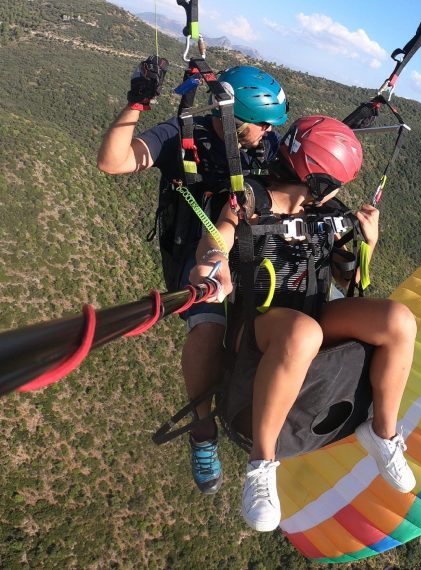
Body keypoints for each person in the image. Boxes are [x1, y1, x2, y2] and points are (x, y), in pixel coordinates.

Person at [189, 115, 417, 532]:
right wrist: (212, 266)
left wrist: (369, 243)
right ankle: (261, 463)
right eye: (336, 185)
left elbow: (348, 279)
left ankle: (382, 433)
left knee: (398, 320)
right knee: (303, 332)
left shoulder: (327, 213)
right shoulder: (250, 200)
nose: (338, 193)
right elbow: (217, 236)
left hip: (312, 311)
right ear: (319, 181)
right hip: (260, 323)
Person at [97, 60, 289, 495]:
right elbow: (114, 162)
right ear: (238, 122)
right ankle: (203, 429)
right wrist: (137, 101)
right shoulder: (182, 136)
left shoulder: (269, 146)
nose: (267, 131)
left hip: (252, 248)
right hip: (196, 255)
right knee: (207, 327)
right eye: (261, 124)